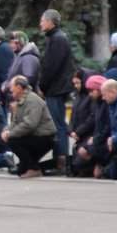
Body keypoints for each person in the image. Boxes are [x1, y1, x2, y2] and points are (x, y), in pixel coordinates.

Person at [38, 9, 74, 174]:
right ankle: (59, 160)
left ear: (51, 22)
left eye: (43, 21)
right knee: (57, 124)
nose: (41, 24)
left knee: (57, 126)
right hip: (56, 87)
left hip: (56, 89)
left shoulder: (58, 39)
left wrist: (42, 86)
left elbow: (51, 67)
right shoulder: (56, 37)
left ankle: (61, 162)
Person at [2, 75, 57, 178]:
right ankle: (32, 166)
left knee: (13, 141)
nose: (10, 90)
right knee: (20, 171)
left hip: (45, 137)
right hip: (33, 136)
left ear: (19, 87)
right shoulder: (21, 101)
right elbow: (15, 122)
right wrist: (6, 131)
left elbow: (30, 124)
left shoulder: (32, 100)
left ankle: (34, 169)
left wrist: (10, 134)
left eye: (12, 87)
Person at [72, 75, 107, 177]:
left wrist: (94, 138)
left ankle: (99, 164)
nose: (90, 94)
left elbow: (105, 126)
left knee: (83, 154)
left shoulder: (105, 104)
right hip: (95, 137)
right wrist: (77, 132)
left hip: (100, 138)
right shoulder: (97, 103)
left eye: (92, 91)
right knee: (77, 163)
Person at [67, 68, 97, 176]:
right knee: (75, 165)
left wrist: (78, 131)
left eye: (78, 83)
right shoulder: (78, 96)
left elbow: (92, 118)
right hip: (79, 135)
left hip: (88, 134)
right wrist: (71, 130)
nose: (76, 86)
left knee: (79, 162)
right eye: (74, 83)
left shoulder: (91, 97)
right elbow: (73, 116)